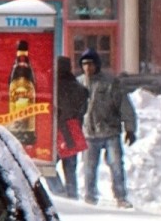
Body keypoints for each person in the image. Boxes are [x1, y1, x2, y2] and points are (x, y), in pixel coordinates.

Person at [79, 48, 136, 207]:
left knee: (116, 165)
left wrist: (130, 128)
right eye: (84, 64)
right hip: (89, 133)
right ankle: (90, 197)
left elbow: (125, 106)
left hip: (110, 131)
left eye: (90, 64)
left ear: (97, 65)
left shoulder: (110, 83)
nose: (87, 68)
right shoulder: (79, 83)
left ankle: (120, 196)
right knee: (89, 167)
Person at [52, 54, 89, 196]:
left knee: (47, 167)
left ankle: (59, 192)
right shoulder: (79, 87)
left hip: (56, 131)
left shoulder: (52, 86)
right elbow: (83, 109)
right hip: (73, 130)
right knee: (70, 169)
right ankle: (72, 196)